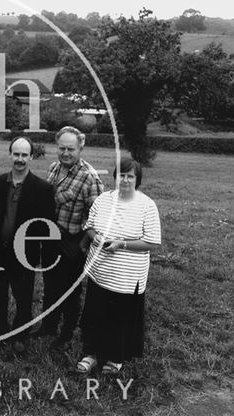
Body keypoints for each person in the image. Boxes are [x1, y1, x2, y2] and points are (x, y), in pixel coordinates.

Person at [76, 157, 161, 374]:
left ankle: (115, 358)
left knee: (119, 319)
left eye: (130, 176)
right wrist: (94, 237)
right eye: (121, 175)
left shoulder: (146, 206)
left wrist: (121, 244)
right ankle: (91, 354)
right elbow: (89, 226)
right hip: (100, 272)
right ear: (115, 177)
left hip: (127, 277)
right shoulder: (103, 199)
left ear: (137, 180)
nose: (125, 180)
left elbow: (152, 242)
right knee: (95, 315)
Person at [0, 136, 56, 353]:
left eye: (24, 155)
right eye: (16, 154)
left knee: (24, 298)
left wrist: (39, 255)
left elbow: (45, 226)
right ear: (10, 155)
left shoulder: (43, 188)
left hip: (24, 253)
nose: (19, 159)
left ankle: (20, 335)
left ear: (31, 157)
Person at [40, 126, 103, 351]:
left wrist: (82, 246)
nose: (66, 153)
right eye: (62, 148)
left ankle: (66, 335)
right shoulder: (54, 168)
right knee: (50, 286)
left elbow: (97, 217)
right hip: (50, 238)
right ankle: (48, 326)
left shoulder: (90, 177)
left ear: (80, 148)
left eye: (71, 149)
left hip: (73, 242)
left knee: (70, 291)